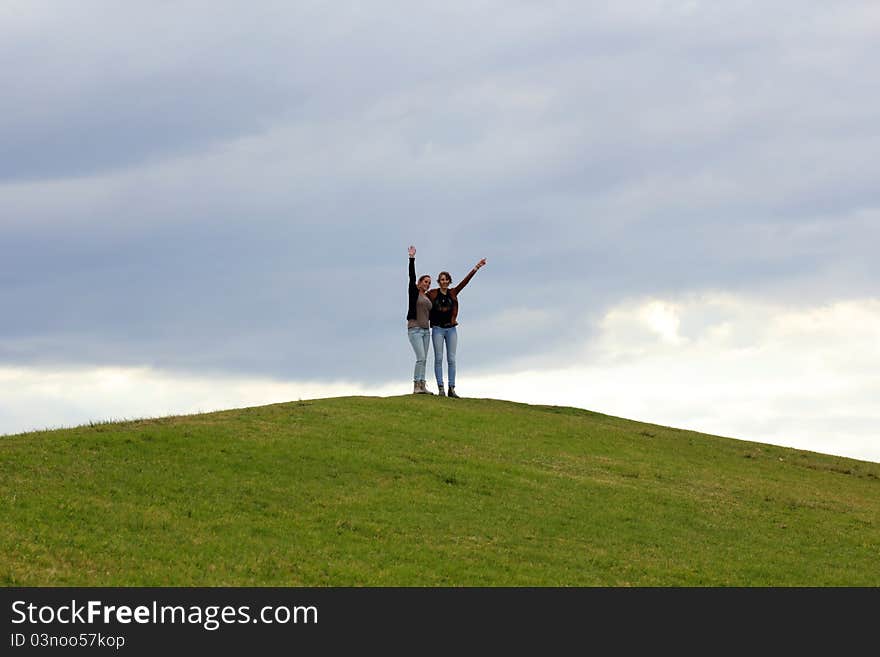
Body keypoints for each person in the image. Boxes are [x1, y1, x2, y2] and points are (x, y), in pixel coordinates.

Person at [427, 256, 487, 398]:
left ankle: (451, 388)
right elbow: (420, 293)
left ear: (449, 281)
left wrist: (476, 268)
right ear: (439, 281)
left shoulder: (453, 293)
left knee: (452, 359)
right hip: (437, 329)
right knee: (438, 358)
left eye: (446, 279)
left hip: (451, 329)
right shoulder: (433, 294)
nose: (444, 281)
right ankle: (440, 388)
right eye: (442, 279)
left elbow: (465, 282)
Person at [406, 245, 434, 394]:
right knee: (421, 357)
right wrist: (412, 258)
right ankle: (416, 385)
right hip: (415, 329)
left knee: (425, 359)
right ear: (419, 283)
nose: (427, 284)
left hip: (425, 331)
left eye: (429, 283)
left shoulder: (427, 297)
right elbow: (411, 276)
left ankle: (423, 385)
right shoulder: (414, 292)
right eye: (425, 281)